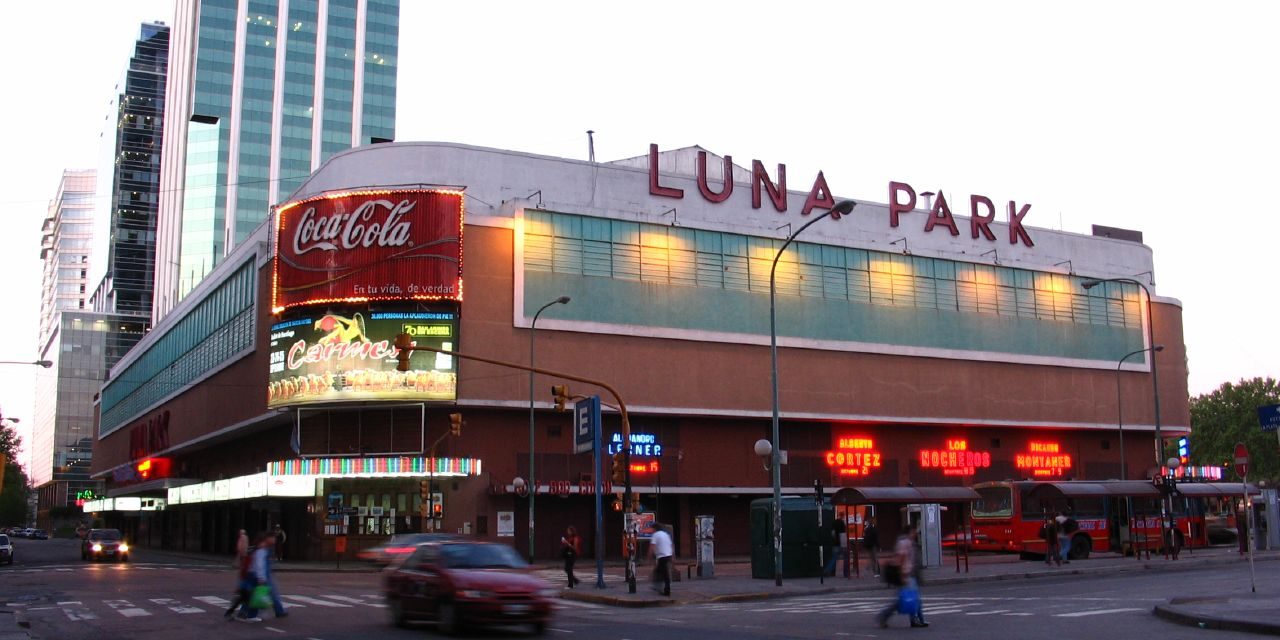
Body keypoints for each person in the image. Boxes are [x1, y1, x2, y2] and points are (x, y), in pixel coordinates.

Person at [876, 524, 927, 628]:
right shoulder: (904, 543)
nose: (915, 533)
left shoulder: (909, 542)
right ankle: (885, 616)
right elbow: (901, 559)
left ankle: (918, 619)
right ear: (910, 532)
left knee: (910, 599)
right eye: (914, 532)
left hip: (909, 574)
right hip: (906, 574)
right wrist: (902, 575)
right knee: (909, 599)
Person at [240, 533, 288, 622]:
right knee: (257, 595)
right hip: (257, 575)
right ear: (266, 540)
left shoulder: (260, 550)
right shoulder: (262, 550)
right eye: (273, 538)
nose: (274, 540)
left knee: (252, 594)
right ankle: (251, 615)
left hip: (253, 575)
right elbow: (260, 565)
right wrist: (261, 577)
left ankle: (244, 612)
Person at [225, 535, 257, 620]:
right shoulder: (252, 555)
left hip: (245, 581)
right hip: (247, 581)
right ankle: (240, 613)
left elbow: (244, 570)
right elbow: (247, 570)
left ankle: (232, 612)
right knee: (246, 598)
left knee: (242, 598)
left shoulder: (249, 554)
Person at [649, 522, 673, 597]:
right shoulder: (665, 534)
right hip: (668, 555)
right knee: (659, 571)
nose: (651, 530)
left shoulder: (656, 535)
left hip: (662, 556)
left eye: (652, 528)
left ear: (655, 528)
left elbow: (652, 547)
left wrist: (649, 556)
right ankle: (659, 586)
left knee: (663, 573)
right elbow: (671, 545)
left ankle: (666, 590)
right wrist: (673, 556)